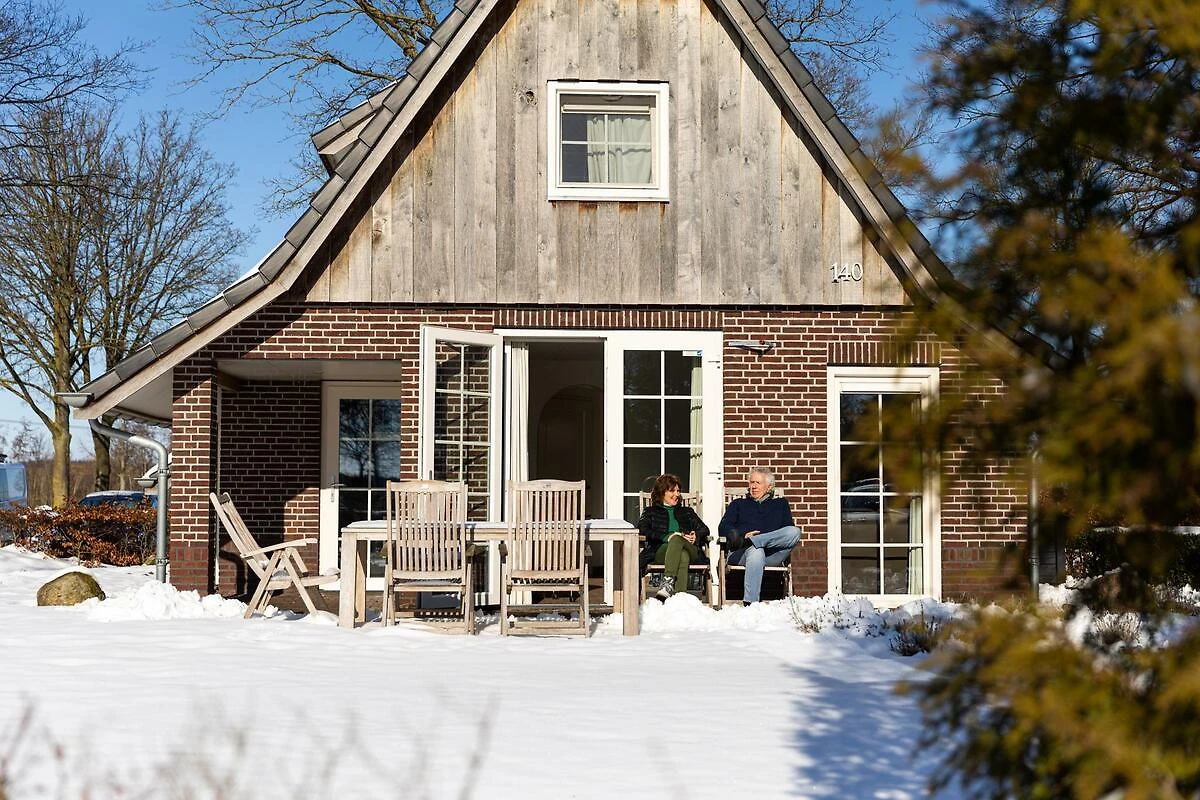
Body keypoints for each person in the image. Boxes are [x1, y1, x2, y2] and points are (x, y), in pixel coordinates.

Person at [719, 467, 800, 604]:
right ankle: (751, 603)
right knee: (757, 551)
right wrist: (742, 536)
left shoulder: (780, 504)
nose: (754, 486)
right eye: (752, 482)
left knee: (795, 531)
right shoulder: (738, 504)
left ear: (769, 487)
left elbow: (787, 531)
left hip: (772, 554)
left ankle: (754, 541)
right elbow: (723, 527)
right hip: (743, 551)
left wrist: (757, 539)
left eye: (758, 483)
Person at [637, 474, 710, 600]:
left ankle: (667, 582)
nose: (677, 494)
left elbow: (704, 529)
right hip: (661, 551)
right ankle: (680, 599)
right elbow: (642, 530)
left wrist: (696, 535)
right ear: (662, 492)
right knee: (682, 555)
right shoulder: (650, 512)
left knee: (678, 540)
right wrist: (667, 537)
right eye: (672, 491)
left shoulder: (687, 512)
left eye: (678, 491)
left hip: (690, 549)